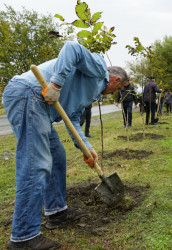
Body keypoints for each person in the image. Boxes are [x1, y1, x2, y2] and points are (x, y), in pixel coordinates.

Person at [2, 41, 130, 249]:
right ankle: (24, 236)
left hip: (39, 104)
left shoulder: (91, 90)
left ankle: (56, 212)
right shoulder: (98, 68)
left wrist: (86, 148)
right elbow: (72, 48)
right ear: (116, 79)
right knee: (37, 163)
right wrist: (56, 85)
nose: (114, 92)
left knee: (57, 156)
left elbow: (73, 120)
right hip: (29, 92)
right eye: (118, 88)